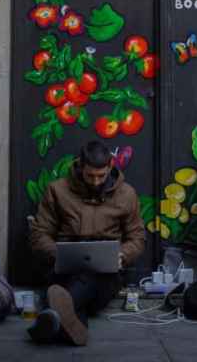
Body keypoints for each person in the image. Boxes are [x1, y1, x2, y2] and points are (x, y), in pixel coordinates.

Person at [28, 140, 145, 346]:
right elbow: (39, 233)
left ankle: (51, 317)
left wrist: (122, 256)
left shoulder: (127, 194)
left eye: (101, 176)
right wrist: (58, 253)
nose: (96, 182)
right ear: (80, 166)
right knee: (73, 289)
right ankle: (65, 324)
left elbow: (137, 238)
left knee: (86, 277)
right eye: (90, 175)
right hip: (63, 270)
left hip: (106, 277)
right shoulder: (57, 190)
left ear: (110, 167)